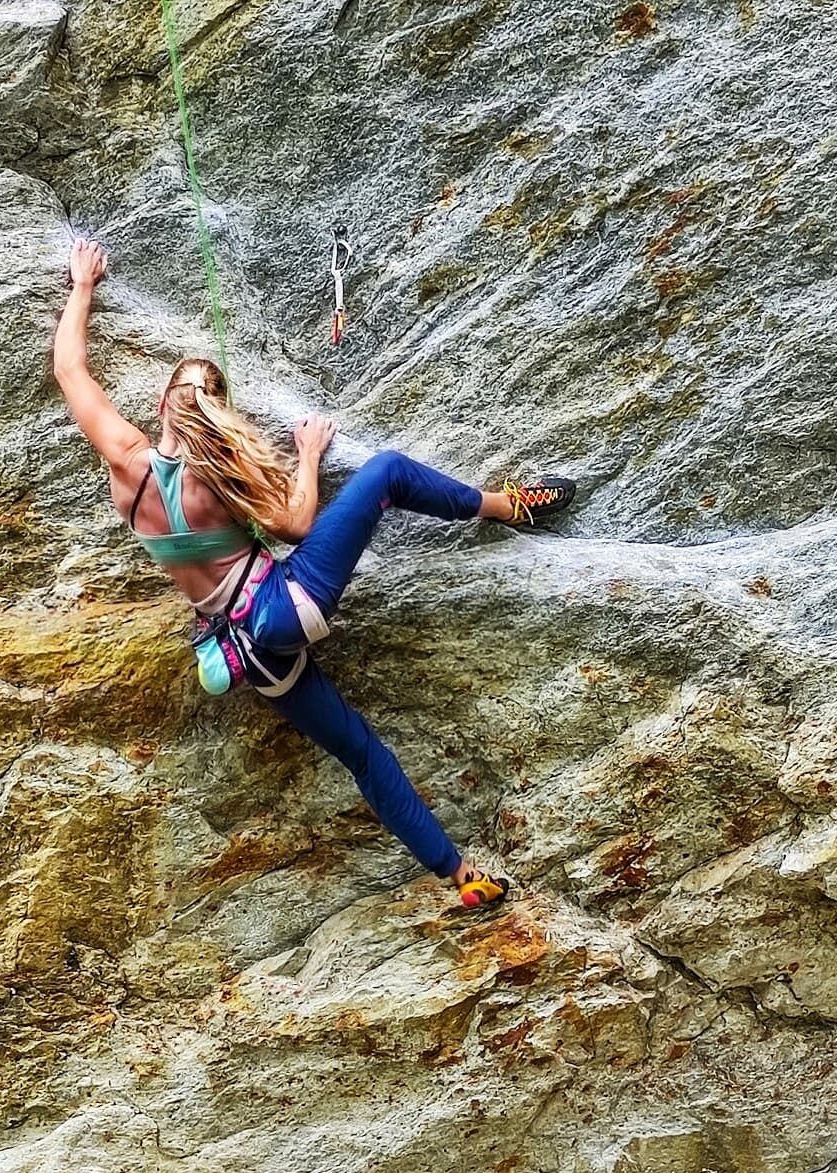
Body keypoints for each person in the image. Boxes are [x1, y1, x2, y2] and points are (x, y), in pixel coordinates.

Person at [53, 238, 576, 907]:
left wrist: (82, 285)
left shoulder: (126, 465)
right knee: (387, 471)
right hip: (285, 603)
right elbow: (299, 525)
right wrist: (307, 454)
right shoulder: (216, 476)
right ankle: (507, 506)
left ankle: (458, 875)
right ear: (215, 407)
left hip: (250, 656)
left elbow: (71, 370)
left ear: (161, 405)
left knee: (361, 751)